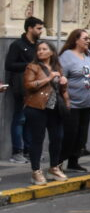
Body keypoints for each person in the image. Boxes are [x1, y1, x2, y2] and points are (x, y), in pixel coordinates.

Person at [23, 40, 69, 185]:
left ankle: (54, 167)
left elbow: (60, 90)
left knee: (57, 138)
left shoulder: (57, 67)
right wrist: (48, 78)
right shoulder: (33, 67)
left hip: (55, 108)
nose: (40, 52)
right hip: (37, 107)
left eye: (44, 49)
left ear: (52, 52)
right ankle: (36, 171)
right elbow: (28, 85)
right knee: (37, 139)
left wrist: (64, 82)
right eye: (38, 50)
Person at [5, 16, 44, 164]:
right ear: (30, 28)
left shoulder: (38, 46)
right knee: (20, 118)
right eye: (38, 28)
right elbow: (9, 65)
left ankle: (29, 150)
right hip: (22, 88)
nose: (41, 31)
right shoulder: (17, 45)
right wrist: (29, 65)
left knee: (30, 119)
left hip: (36, 88)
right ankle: (17, 151)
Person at [58, 29, 90, 174]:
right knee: (71, 134)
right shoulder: (67, 56)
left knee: (82, 135)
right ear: (76, 40)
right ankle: (58, 162)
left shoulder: (89, 54)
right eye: (85, 38)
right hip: (72, 103)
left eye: (88, 38)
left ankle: (74, 162)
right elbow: (61, 78)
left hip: (88, 102)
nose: (88, 41)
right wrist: (66, 97)